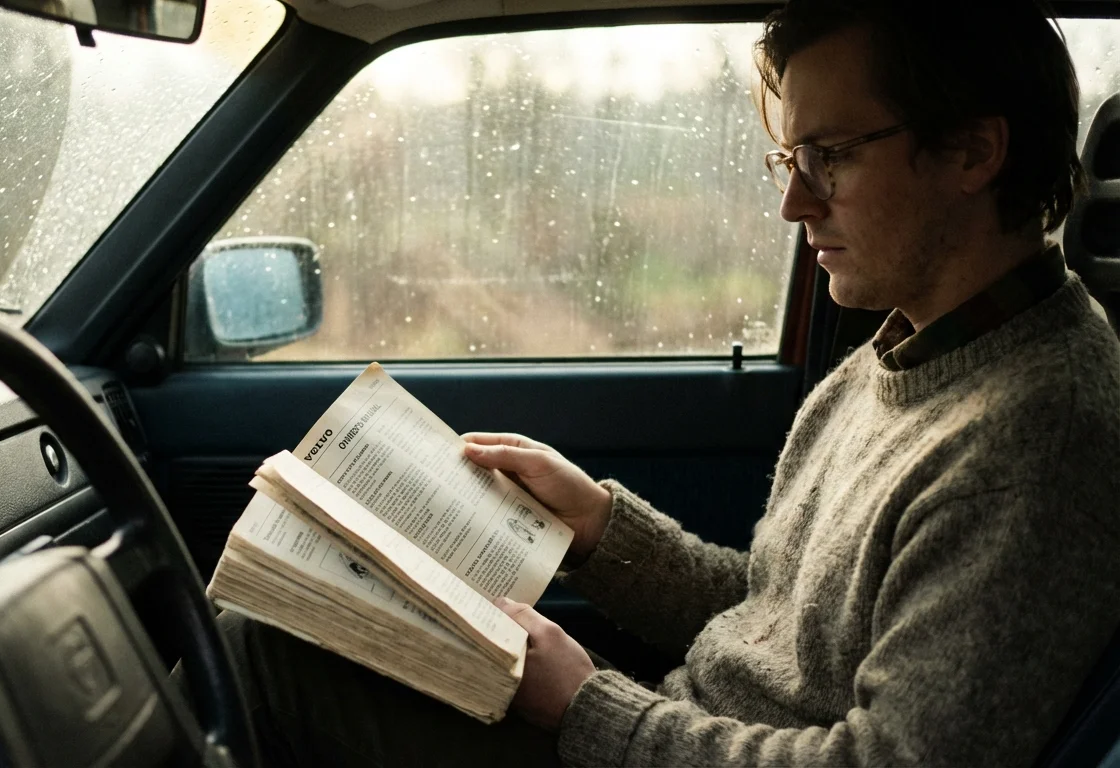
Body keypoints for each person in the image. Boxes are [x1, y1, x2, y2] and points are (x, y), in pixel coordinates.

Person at [217, 0, 1120, 764]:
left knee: (254, 653)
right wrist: (598, 533)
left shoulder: (1038, 436)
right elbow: (776, 622)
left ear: (972, 153)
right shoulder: (905, 353)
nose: (795, 203)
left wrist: (584, 708)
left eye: (831, 157)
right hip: (664, 725)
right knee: (262, 634)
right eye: (791, 160)